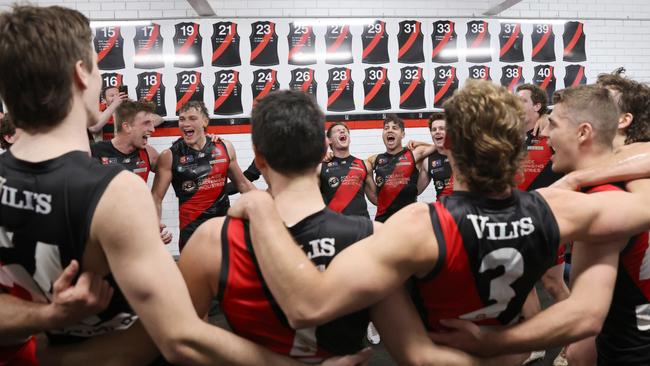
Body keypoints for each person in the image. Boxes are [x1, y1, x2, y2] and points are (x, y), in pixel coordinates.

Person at [0, 5, 369, 366]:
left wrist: (47, 323)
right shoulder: (117, 190)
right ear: (82, 73)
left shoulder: (214, 152)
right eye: (97, 67)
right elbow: (179, 338)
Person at [227, 80, 650, 365]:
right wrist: (581, 178)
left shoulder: (417, 226)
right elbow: (587, 315)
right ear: (518, 144)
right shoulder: (560, 208)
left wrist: (262, 209)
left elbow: (306, 305)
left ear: (447, 145)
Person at [428, 84, 650, 366]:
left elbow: (585, 320)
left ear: (583, 132)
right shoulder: (636, 179)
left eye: (553, 124)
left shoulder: (601, 200)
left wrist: (492, 343)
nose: (544, 133)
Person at [152, 101, 255, 251]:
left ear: (205, 122)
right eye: (182, 119)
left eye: (192, 118)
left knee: (226, 272)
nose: (186, 123)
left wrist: (268, 209)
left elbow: (243, 184)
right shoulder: (169, 156)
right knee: (193, 274)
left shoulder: (224, 147)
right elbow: (156, 198)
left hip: (223, 225)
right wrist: (154, 228)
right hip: (192, 231)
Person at [369, 114, 430, 222]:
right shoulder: (375, 159)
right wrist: (329, 154)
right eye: (386, 128)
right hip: (384, 221)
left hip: (409, 220)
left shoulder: (414, 155)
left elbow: (440, 147)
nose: (389, 131)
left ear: (402, 134)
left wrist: (420, 143)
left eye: (395, 128)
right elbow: (356, 165)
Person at [318, 122, 377, 218]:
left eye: (345, 131)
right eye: (337, 131)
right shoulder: (320, 167)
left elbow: (376, 199)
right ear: (329, 140)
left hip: (362, 227)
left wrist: (405, 151)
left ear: (349, 139)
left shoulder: (365, 165)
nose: (342, 131)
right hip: (334, 227)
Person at [408, 112, 454, 200]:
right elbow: (416, 191)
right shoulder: (428, 161)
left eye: (441, 128)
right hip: (442, 211)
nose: (437, 132)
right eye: (434, 129)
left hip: (465, 210)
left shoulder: (463, 154)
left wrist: (421, 143)